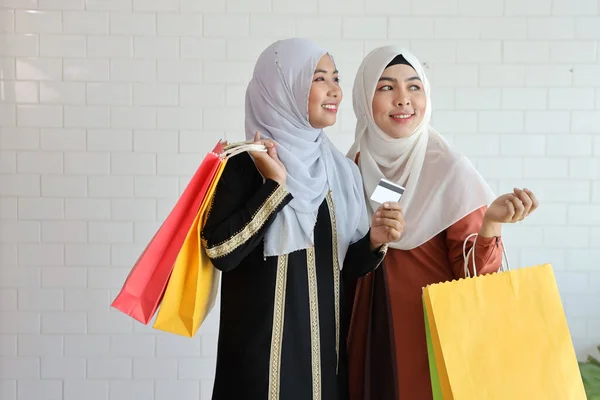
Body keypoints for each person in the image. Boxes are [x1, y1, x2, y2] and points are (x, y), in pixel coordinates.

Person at [201, 38, 405, 400]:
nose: (334, 90)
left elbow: (343, 266)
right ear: (283, 87)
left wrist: (373, 241)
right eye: (319, 78)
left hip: (323, 362)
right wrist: (275, 186)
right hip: (259, 367)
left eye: (336, 78)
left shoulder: (338, 170)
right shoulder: (243, 164)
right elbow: (220, 251)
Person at [345, 46, 539, 400]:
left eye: (414, 87)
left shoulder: (448, 168)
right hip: (365, 326)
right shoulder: (354, 163)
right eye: (386, 88)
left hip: (425, 330)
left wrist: (491, 224)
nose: (403, 100)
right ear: (363, 99)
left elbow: (473, 277)